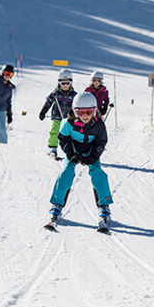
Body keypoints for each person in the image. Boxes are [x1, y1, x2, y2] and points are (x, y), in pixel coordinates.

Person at [47, 91, 112, 226]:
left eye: (89, 112)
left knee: (98, 174)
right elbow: (63, 139)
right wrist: (70, 153)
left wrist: (94, 155)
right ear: (75, 112)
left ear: (94, 111)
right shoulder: (67, 123)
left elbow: (102, 141)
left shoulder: (99, 125)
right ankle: (57, 205)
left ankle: (103, 206)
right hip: (74, 151)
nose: (85, 116)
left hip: (91, 151)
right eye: (81, 113)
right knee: (66, 172)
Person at [39, 69, 77, 159]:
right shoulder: (55, 93)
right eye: (63, 83)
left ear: (71, 83)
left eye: (67, 83)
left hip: (69, 118)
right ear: (59, 83)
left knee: (71, 133)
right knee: (55, 132)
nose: (65, 86)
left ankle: (72, 151)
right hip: (57, 117)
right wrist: (43, 111)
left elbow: (77, 106)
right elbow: (48, 102)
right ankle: (52, 148)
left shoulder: (74, 94)